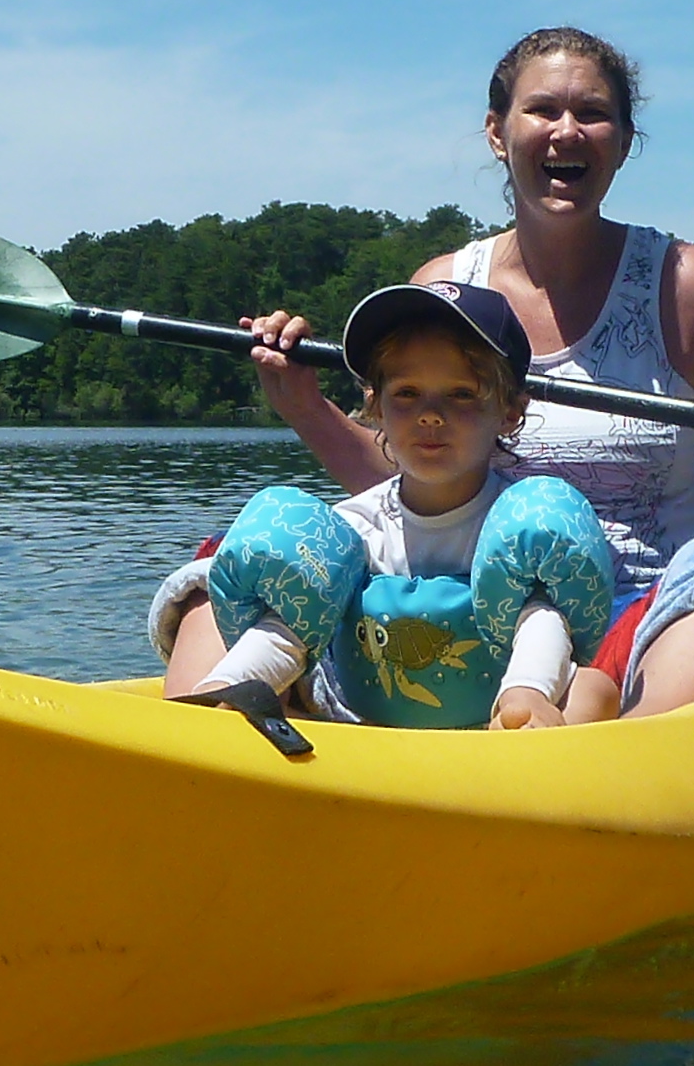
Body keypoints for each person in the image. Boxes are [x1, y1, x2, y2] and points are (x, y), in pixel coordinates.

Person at [227, 28, 694, 718]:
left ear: (622, 140)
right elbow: (404, 476)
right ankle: (218, 718)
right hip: (475, 603)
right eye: (542, 110)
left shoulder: (687, 284)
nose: (567, 131)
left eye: (591, 113)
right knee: (239, 550)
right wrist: (303, 406)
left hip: (651, 605)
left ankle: (614, 750)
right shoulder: (443, 285)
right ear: (497, 133)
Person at [151, 279, 617, 730]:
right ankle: (226, 721)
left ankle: (527, 755)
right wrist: (236, 685)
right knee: (283, 611)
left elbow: (543, 619)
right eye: (407, 394)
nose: (430, 414)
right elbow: (287, 628)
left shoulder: (523, 528)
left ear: (511, 410)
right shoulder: (351, 528)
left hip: (500, 722)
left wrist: (529, 692)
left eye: (461, 394)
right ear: (375, 405)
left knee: (594, 688)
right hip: (359, 724)